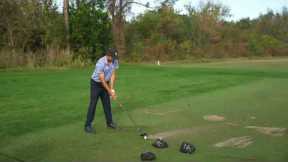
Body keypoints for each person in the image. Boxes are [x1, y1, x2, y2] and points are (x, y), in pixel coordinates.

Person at [84, 48, 119, 133]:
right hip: (96, 84)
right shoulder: (100, 63)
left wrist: (112, 89)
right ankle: (88, 125)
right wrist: (109, 91)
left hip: (105, 82)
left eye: (115, 57)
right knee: (93, 104)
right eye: (113, 57)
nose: (114, 59)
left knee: (107, 103)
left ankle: (109, 122)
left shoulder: (115, 61)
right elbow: (102, 80)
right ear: (108, 55)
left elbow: (113, 75)